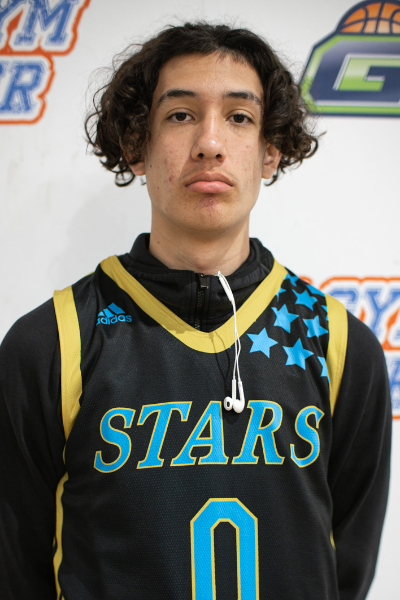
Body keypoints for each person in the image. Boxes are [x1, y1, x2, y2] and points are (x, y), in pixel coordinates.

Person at [0, 22, 392, 600]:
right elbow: (17, 569)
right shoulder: (52, 342)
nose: (210, 142)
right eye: (181, 115)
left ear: (270, 150)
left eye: (240, 117)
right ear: (136, 145)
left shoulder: (338, 343)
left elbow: (345, 570)